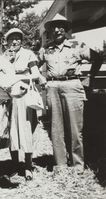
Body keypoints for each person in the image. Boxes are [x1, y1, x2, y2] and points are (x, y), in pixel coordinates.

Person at [38, 14, 102, 172]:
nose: (57, 29)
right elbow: (34, 65)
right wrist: (41, 78)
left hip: (73, 85)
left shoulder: (77, 45)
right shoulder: (46, 48)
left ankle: (77, 165)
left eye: (60, 26)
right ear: (51, 31)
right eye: (54, 27)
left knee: (75, 128)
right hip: (52, 86)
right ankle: (60, 164)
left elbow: (98, 58)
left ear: (65, 29)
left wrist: (89, 78)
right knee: (55, 127)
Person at [2, 28, 43, 180]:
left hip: (24, 96)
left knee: (26, 130)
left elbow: (36, 74)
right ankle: (14, 165)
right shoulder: (4, 56)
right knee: (11, 130)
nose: (14, 41)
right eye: (11, 39)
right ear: (6, 42)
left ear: (21, 40)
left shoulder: (28, 54)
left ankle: (27, 166)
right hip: (8, 97)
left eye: (17, 38)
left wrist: (17, 77)